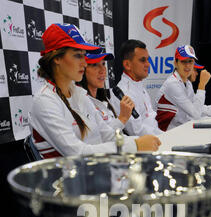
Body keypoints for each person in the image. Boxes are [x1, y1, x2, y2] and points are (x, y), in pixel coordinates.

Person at [29, 24, 161, 159]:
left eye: (84, 57)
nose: (84, 63)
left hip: (93, 170)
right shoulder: (44, 101)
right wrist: (135, 145)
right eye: (77, 56)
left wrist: (138, 142)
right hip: (68, 176)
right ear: (56, 58)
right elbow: (77, 153)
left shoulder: (79, 94)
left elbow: (107, 135)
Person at [155, 45, 211, 131]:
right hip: (166, 134)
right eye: (183, 61)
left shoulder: (187, 83)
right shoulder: (173, 84)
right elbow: (196, 114)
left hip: (179, 129)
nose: (188, 65)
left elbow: (199, 109)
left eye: (190, 61)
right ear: (175, 63)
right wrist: (202, 85)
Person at [110, 39, 163, 136]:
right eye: (143, 60)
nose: (148, 64)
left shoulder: (138, 85)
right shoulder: (124, 93)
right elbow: (137, 131)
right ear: (127, 65)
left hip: (156, 139)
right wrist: (163, 138)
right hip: (144, 146)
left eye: (148, 59)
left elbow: (151, 120)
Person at [79, 51, 135, 132]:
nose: (102, 70)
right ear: (82, 70)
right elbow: (99, 138)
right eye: (95, 65)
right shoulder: (80, 102)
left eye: (103, 64)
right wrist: (122, 118)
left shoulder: (104, 99)